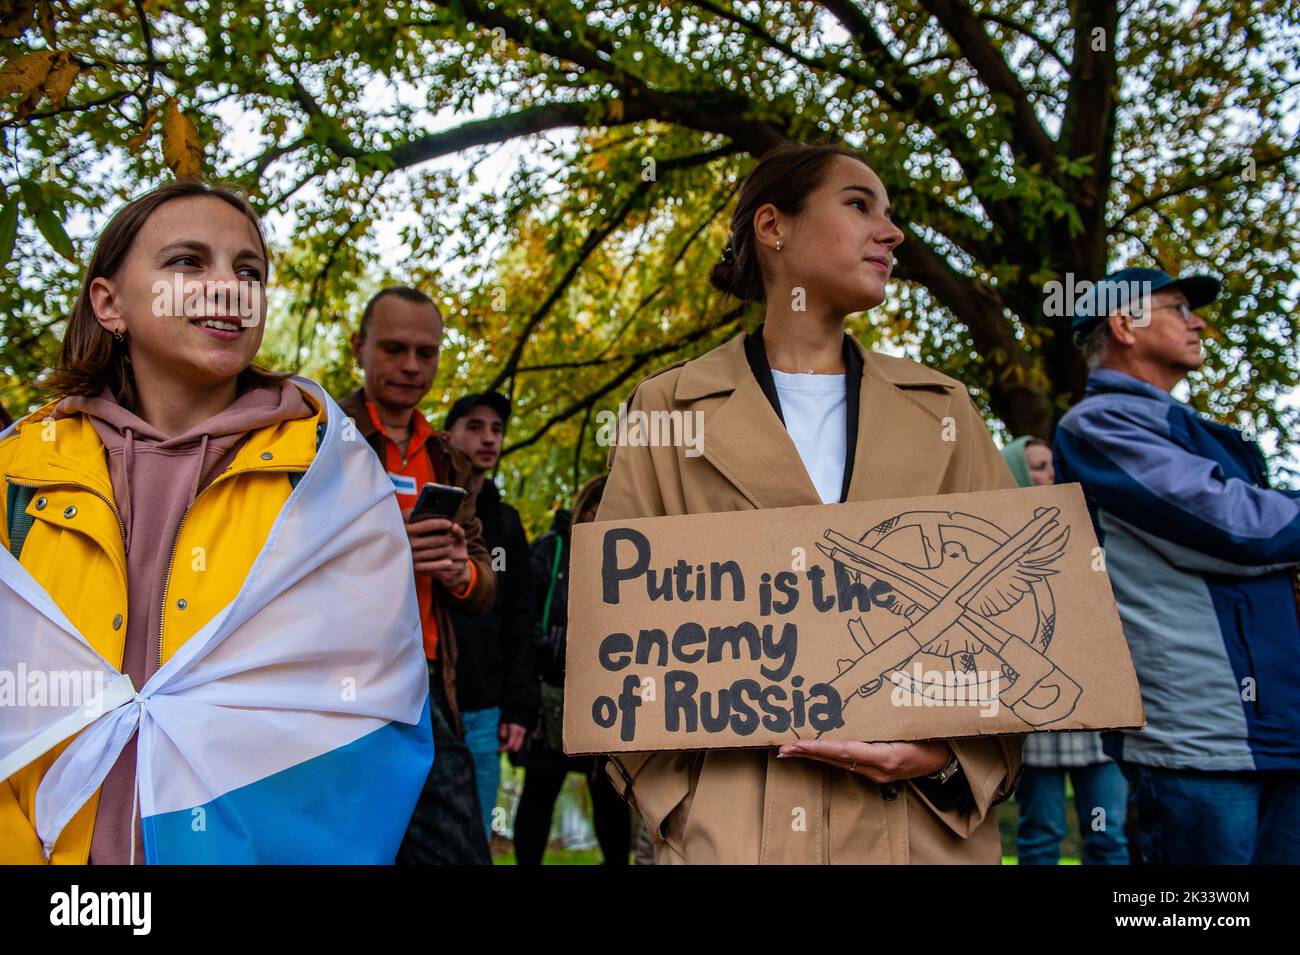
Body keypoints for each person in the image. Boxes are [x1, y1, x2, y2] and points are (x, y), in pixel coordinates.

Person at [596, 142, 1022, 864]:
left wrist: (946, 760)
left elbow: (1018, 614)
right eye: (860, 205)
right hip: (734, 838)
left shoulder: (946, 409)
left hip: (921, 836)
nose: (893, 233)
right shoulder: (666, 407)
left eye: (889, 213)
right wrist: (684, 804)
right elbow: (617, 630)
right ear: (774, 227)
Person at [0, 180, 432, 864]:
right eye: (188, 262)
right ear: (109, 303)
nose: (228, 286)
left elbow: (372, 706)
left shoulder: (327, 474)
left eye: (249, 271)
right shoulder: (18, 472)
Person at [1055, 266, 1300, 865]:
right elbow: (1234, 527)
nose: (1199, 323)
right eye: (1180, 309)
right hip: (1199, 735)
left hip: (1269, 728)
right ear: (1124, 324)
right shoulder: (1097, 424)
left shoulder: (1191, 429)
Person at [340, 287, 498, 865]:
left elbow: (485, 582)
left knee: (457, 853)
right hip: (340, 683)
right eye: (394, 348)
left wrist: (460, 573)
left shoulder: (447, 456)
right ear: (359, 348)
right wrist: (386, 558)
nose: (411, 366)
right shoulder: (318, 439)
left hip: (427, 681)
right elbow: (280, 567)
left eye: (426, 353)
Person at [1002, 436, 1129, 865]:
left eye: (1053, 466)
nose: (1049, 475)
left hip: (1098, 709)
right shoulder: (996, 538)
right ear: (1016, 469)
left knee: (1107, 833)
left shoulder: (1089, 526)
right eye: (1037, 466)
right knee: (1042, 831)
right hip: (1037, 715)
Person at [512, 476, 631, 865]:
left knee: (609, 793)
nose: (603, 516)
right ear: (585, 508)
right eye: (598, 507)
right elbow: (524, 622)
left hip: (606, 700)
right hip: (553, 697)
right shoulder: (551, 550)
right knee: (540, 792)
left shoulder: (629, 557)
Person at [443, 390, 539, 840]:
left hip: (486, 709)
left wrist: (518, 707)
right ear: (448, 436)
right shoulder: (429, 511)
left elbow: (522, 619)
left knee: (475, 838)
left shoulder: (506, 523)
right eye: (475, 427)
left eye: (496, 430)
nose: (488, 438)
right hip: (424, 703)